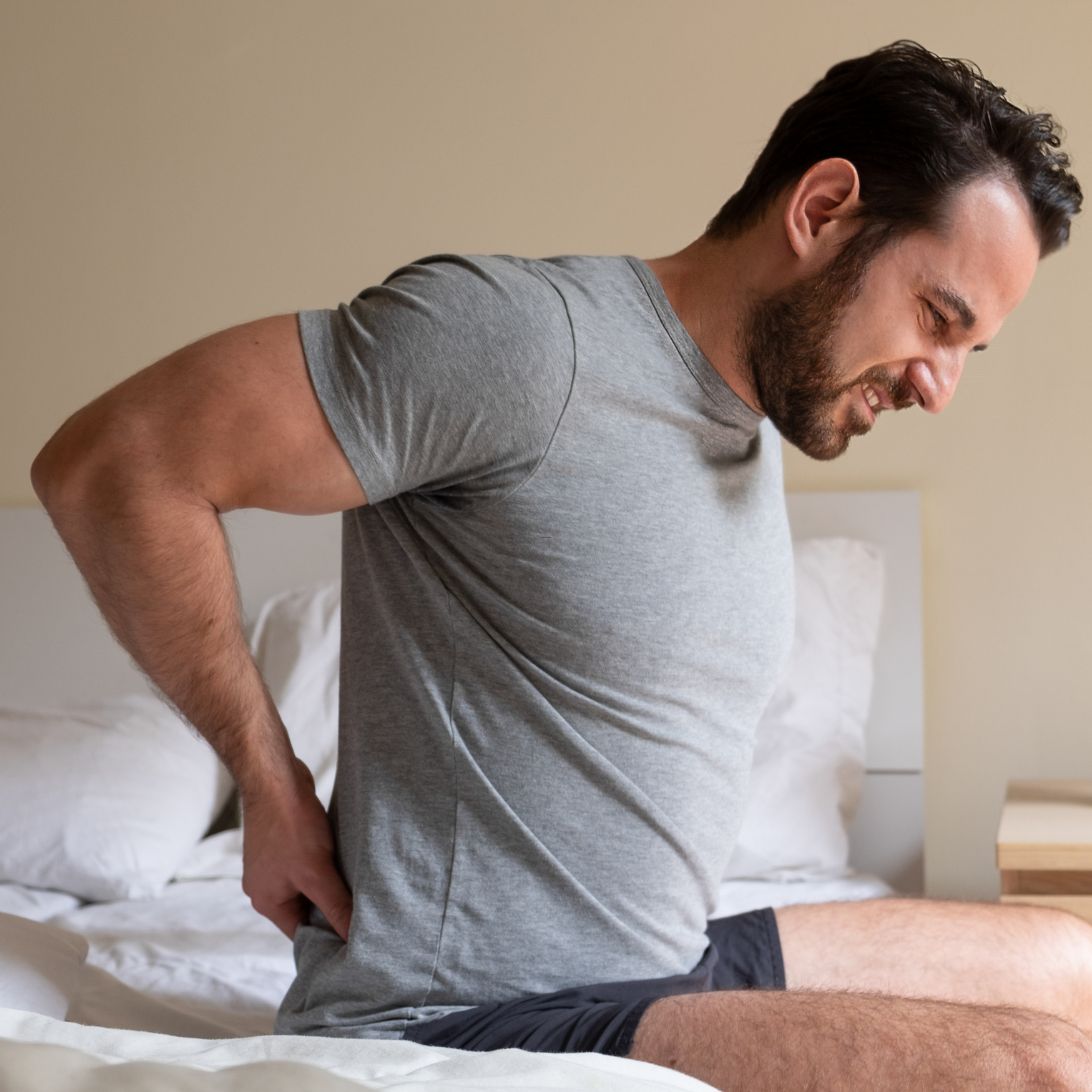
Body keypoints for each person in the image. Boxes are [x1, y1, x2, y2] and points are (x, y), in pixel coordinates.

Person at [31, 38, 1091, 1089]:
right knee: (1032, 1070)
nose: (940, 385)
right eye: (936, 319)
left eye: (968, 350)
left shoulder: (752, 414)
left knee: (1073, 965)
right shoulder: (521, 343)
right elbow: (114, 463)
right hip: (464, 1016)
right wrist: (267, 778)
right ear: (821, 210)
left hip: (659, 969)